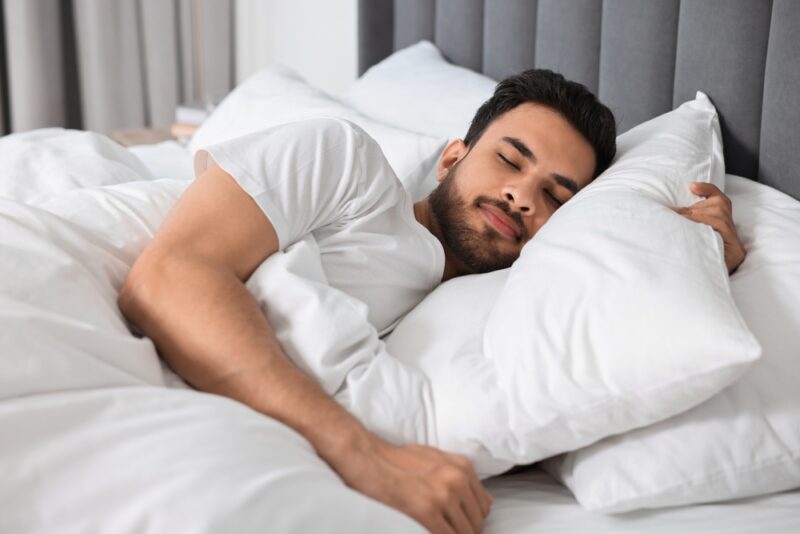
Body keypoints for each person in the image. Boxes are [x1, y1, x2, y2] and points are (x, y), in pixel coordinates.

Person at [118, 69, 745, 534]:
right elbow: (167, 278)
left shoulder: (494, 305)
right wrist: (367, 458)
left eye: (555, 196)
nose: (522, 196)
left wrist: (694, 256)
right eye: (509, 159)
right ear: (451, 158)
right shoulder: (347, 166)